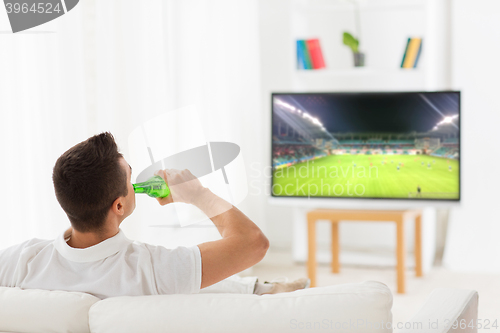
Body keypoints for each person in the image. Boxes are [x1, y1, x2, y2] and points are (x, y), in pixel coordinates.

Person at [0, 133, 308, 299]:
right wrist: (198, 195)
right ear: (118, 206)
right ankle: (262, 289)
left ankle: (260, 287)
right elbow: (253, 242)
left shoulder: (21, 260)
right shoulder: (153, 269)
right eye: (131, 178)